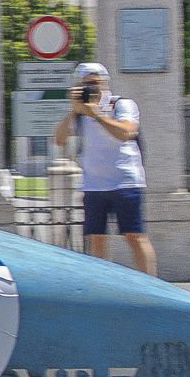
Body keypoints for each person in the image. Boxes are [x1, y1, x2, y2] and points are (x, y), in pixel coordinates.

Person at [53, 61, 153, 275]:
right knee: (96, 239)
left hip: (124, 181)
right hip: (94, 185)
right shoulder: (79, 114)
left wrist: (96, 114)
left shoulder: (121, 105)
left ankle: (152, 286)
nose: (91, 88)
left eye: (95, 83)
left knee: (133, 235)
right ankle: (103, 284)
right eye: (86, 84)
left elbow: (125, 133)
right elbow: (59, 140)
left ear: (105, 83)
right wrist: (74, 111)